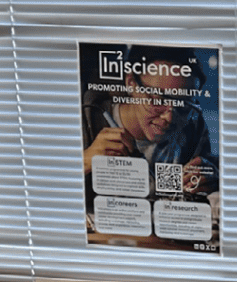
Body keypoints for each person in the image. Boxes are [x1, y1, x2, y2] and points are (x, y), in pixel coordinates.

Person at [82, 45, 219, 204]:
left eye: (183, 105)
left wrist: (212, 180)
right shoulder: (87, 122)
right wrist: (85, 162)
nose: (169, 117)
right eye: (158, 100)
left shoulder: (193, 127)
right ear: (131, 83)